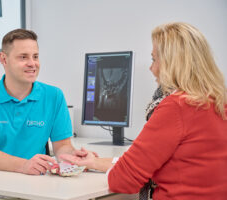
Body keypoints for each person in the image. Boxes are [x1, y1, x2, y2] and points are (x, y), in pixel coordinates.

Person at [60, 22, 227, 199]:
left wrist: (117, 170)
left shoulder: (177, 106)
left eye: (154, 59)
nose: (151, 68)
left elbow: (123, 179)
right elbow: (158, 163)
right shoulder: (218, 103)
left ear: (173, 64)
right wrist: (95, 162)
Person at [0, 29, 87, 175]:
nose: (32, 63)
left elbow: (62, 147)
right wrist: (24, 165)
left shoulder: (54, 96)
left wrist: (73, 157)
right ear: (4, 59)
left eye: (35, 56)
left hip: (29, 179)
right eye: (23, 57)